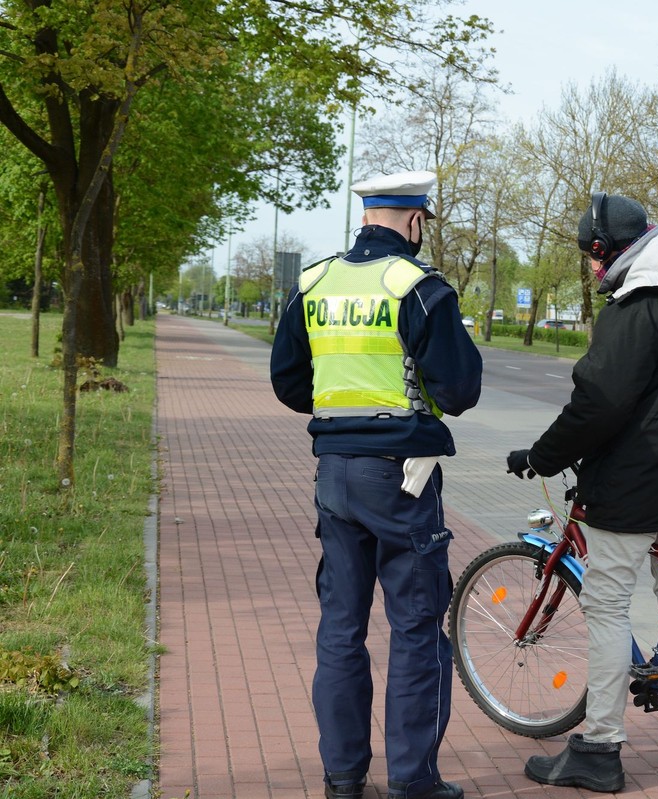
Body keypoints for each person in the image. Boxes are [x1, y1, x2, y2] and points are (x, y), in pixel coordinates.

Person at [506, 192, 658, 792]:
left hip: (632, 484)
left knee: (606, 605)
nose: (589, 267)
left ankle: (600, 748)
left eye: (589, 255)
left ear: (607, 250)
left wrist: (542, 455)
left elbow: (600, 401)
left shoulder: (636, 305)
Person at [271, 170, 483, 799]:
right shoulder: (419, 288)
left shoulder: (313, 280)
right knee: (417, 627)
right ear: (415, 220)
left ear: (368, 216)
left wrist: (343, 411)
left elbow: (288, 382)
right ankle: (413, 781)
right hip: (402, 480)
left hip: (333, 475)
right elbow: (460, 391)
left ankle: (343, 778)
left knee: (341, 628)